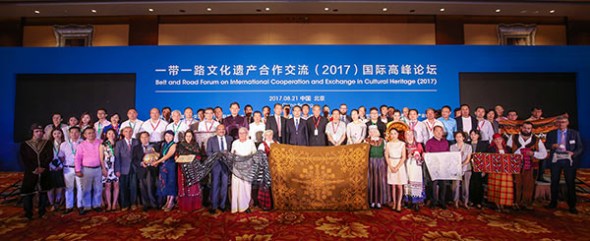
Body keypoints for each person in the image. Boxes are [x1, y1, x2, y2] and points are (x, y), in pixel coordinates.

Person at [545, 116, 584, 214]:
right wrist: (551, 146)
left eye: (563, 122)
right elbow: (546, 145)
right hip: (556, 160)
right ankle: (553, 202)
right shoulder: (551, 133)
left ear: (567, 123)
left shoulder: (574, 133)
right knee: (554, 181)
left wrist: (573, 153)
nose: (561, 124)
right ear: (556, 124)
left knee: (570, 182)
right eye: (559, 122)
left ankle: (572, 205)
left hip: (568, 160)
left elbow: (580, 147)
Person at [507, 121, 547, 210]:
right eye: (524, 128)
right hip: (516, 166)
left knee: (529, 185)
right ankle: (515, 202)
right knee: (516, 184)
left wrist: (533, 153)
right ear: (521, 128)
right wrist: (516, 154)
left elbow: (544, 154)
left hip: (531, 167)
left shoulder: (537, 140)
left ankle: (526, 203)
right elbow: (508, 151)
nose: (526, 130)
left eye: (528, 128)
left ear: (531, 129)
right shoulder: (513, 137)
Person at [21, 124, 52, 220]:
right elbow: (24, 159)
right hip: (31, 172)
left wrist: (43, 167)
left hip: (44, 171)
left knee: (43, 192)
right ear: (33, 133)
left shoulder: (47, 143)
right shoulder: (25, 144)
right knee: (28, 193)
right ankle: (28, 214)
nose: (39, 133)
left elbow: (50, 156)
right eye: (36, 131)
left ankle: (42, 212)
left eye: (41, 131)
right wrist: (34, 168)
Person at [75, 127, 104, 215]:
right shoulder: (81, 145)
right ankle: (86, 206)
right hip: (86, 169)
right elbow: (77, 158)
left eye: (92, 132)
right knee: (86, 189)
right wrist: (78, 170)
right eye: (89, 133)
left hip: (98, 169)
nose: (91, 135)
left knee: (98, 188)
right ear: (84, 135)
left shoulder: (100, 142)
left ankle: (97, 205)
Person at [206, 124, 233, 214]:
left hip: (226, 165)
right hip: (216, 165)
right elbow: (209, 152)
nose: (221, 131)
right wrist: (218, 156)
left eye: (223, 129)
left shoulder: (229, 139)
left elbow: (231, 152)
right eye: (219, 129)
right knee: (215, 185)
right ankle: (214, 205)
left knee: (225, 185)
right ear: (216, 130)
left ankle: (222, 205)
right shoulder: (211, 140)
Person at [231, 127, 258, 213]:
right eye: (240, 133)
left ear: (247, 134)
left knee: (246, 187)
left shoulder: (251, 143)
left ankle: (246, 206)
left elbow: (255, 155)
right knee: (236, 187)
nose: (241, 135)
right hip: (237, 168)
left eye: (243, 133)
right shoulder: (235, 143)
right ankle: (236, 207)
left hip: (247, 168)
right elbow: (232, 155)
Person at [58, 126, 83, 214]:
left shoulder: (83, 143)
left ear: (79, 133)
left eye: (76, 132)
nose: (74, 134)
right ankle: (69, 206)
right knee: (69, 188)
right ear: (69, 134)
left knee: (81, 188)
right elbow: (61, 156)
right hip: (68, 168)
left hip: (80, 168)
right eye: (72, 132)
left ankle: (80, 206)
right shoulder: (64, 144)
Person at [176, 130, 203, 212]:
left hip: (192, 167)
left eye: (190, 136)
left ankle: (194, 206)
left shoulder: (195, 145)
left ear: (192, 137)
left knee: (192, 187)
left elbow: (199, 157)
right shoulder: (180, 145)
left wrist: (193, 159)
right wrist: (176, 158)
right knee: (183, 185)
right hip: (182, 167)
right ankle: (185, 206)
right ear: (184, 137)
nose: (188, 138)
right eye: (187, 136)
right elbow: (177, 155)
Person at [425, 126, 450, 209]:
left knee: (443, 184)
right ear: (433, 132)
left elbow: (448, 154)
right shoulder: (429, 142)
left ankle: (442, 201)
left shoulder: (446, 142)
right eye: (437, 131)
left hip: (443, 167)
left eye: (440, 131)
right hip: (433, 167)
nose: (439, 133)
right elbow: (427, 154)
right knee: (433, 184)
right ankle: (433, 201)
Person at [487, 133, 513, 212]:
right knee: (496, 187)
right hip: (495, 171)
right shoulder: (491, 149)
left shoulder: (508, 148)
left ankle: (504, 205)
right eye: (496, 140)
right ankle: (497, 205)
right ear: (493, 141)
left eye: (499, 139)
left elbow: (511, 159)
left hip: (506, 172)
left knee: (505, 188)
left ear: (502, 140)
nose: (498, 141)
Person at [115, 126, 139, 211]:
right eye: (126, 131)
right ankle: (125, 204)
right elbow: (117, 157)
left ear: (132, 132)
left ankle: (133, 203)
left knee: (133, 186)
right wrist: (117, 170)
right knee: (123, 187)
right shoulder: (119, 143)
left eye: (130, 131)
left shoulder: (136, 142)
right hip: (123, 168)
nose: (128, 133)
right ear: (123, 133)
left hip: (134, 168)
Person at [132, 132, 158, 211]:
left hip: (151, 169)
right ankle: (145, 204)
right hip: (141, 170)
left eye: (146, 137)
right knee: (142, 187)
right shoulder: (136, 148)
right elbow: (134, 160)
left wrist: (156, 162)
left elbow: (158, 156)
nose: (144, 139)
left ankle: (153, 204)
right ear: (140, 139)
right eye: (142, 138)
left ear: (149, 137)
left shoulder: (154, 146)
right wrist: (141, 163)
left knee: (151, 187)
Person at [152, 130, 177, 212]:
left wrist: (157, 162)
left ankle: (171, 201)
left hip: (170, 165)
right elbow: (161, 155)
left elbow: (167, 156)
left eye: (170, 136)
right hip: (163, 166)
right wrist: (154, 156)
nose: (168, 137)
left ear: (173, 137)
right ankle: (167, 201)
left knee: (171, 182)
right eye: (166, 136)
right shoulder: (164, 144)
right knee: (164, 183)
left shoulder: (174, 145)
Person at [366, 126, 390, 209]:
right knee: (371, 181)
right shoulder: (366, 140)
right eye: (370, 131)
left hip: (380, 162)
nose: (372, 132)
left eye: (374, 130)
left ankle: (379, 201)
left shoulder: (383, 141)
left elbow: (386, 152)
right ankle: (372, 200)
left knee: (380, 181)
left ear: (377, 131)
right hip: (370, 162)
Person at [385, 128, 407, 212]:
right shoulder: (388, 144)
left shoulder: (402, 144)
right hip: (391, 163)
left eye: (395, 133)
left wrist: (397, 167)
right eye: (391, 133)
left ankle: (399, 204)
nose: (393, 135)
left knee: (399, 185)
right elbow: (386, 155)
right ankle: (394, 203)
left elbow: (404, 157)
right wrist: (390, 166)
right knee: (393, 185)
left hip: (399, 165)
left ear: (398, 134)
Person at [450, 131, 473, 209]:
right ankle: (455, 201)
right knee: (455, 186)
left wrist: (462, 165)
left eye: (460, 136)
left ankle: (465, 202)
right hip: (455, 168)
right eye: (457, 137)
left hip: (466, 168)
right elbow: (452, 158)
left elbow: (468, 158)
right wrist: (457, 166)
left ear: (463, 137)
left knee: (466, 186)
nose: (458, 138)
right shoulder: (452, 147)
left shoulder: (468, 146)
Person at [404, 130, 424, 211]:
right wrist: (406, 156)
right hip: (406, 165)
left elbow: (422, 155)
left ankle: (416, 202)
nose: (409, 136)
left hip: (416, 167)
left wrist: (418, 156)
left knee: (416, 182)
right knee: (407, 182)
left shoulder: (418, 145)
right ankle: (408, 201)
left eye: (411, 134)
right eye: (407, 135)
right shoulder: (403, 145)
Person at [468, 130, 488, 209]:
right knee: (471, 184)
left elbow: (486, 158)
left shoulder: (483, 145)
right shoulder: (467, 144)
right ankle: (471, 200)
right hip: (469, 166)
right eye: (471, 134)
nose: (473, 136)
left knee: (479, 184)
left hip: (480, 167)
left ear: (478, 136)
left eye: (475, 134)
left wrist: (484, 169)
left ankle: (479, 201)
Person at [100, 129, 119, 211]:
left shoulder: (118, 144)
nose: (111, 135)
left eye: (113, 133)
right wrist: (103, 168)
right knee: (107, 186)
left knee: (116, 186)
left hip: (116, 167)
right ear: (106, 135)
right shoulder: (102, 145)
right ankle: (109, 204)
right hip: (107, 167)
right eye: (109, 133)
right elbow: (101, 159)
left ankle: (114, 204)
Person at [47, 128, 65, 212]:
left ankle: (58, 203)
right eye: (55, 134)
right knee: (50, 187)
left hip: (62, 167)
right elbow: (46, 157)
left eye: (59, 133)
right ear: (52, 135)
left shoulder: (65, 144)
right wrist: (51, 166)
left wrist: (61, 165)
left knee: (60, 186)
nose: (57, 135)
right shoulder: (49, 144)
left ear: (62, 134)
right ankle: (51, 203)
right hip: (51, 168)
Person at [257, 130, 275, 210]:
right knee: (266, 186)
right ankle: (265, 204)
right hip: (265, 168)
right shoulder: (262, 145)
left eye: (270, 135)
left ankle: (275, 203)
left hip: (275, 168)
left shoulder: (276, 143)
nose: (269, 136)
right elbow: (260, 158)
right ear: (265, 136)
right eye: (267, 135)